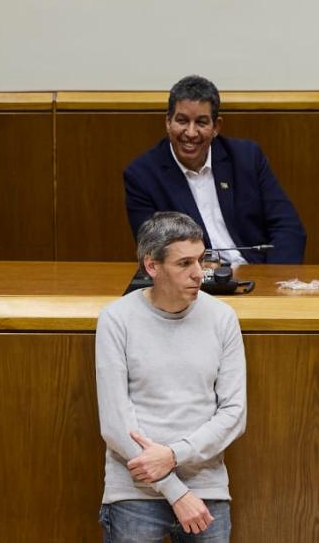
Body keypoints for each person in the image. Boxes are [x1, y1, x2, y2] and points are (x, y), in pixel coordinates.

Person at [95, 211, 247, 541]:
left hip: (205, 487)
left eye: (201, 260)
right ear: (152, 266)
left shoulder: (222, 318)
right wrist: (174, 490)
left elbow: (234, 415)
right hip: (134, 492)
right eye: (184, 264)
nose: (199, 273)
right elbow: (115, 425)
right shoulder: (116, 319)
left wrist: (174, 455)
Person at [124, 74, 307, 264]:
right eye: (182, 121)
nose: (191, 133)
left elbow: (288, 228)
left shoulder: (247, 158)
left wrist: (274, 278)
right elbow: (154, 250)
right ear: (168, 122)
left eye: (201, 122)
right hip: (194, 278)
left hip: (255, 271)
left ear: (216, 127)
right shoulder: (142, 175)